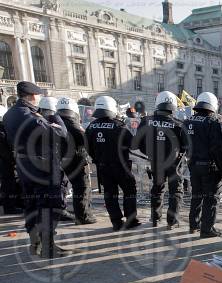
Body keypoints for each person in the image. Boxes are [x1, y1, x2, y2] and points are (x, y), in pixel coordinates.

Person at [4, 83, 71, 258]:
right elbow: (61, 133)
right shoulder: (32, 117)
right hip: (42, 166)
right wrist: (55, 116)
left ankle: (36, 244)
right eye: (38, 95)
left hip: (23, 165)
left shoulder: (10, 114)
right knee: (50, 205)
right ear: (32, 96)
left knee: (32, 204)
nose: (40, 98)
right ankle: (48, 247)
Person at [134, 91, 189, 229]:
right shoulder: (179, 125)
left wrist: (150, 153)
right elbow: (186, 146)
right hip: (175, 163)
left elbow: (138, 143)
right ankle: (172, 221)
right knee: (175, 191)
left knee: (157, 189)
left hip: (156, 161)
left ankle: (155, 218)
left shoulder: (146, 121)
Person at [86, 96, 140, 231]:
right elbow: (133, 145)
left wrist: (97, 158)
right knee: (129, 191)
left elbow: (88, 147)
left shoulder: (91, 126)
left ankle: (116, 222)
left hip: (103, 166)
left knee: (110, 193)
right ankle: (131, 219)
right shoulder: (119, 126)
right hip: (121, 166)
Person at [185, 92, 222, 238]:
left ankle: (193, 224)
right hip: (209, 166)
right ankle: (207, 229)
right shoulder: (213, 121)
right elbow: (216, 149)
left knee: (196, 195)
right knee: (211, 198)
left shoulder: (188, 120)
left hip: (193, 165)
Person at [57, 97, 96, 225]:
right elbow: (86, 143)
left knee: (73, 187)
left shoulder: (55, 122)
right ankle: (83, 217)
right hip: (76, 160)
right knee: (82, 188)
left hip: (62, 160)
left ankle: (81, 214)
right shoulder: (73, 125)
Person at [0, 105, 22, 214]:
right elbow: (6, 150)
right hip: (6, 163)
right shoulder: (2, 131)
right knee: (8, 184)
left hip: (5, 162)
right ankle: (9, 207)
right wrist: (14, 160)